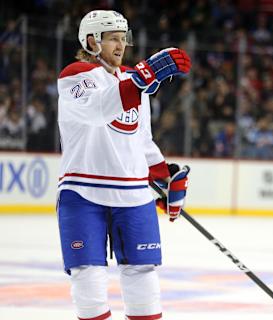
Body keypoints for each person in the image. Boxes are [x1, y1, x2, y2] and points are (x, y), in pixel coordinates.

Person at [56, 10, 191, 320]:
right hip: (83, 193)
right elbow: (97, 110)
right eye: (113, 39)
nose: (120, 45)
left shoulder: (134, 81)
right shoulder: (75, 76)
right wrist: (143, 78)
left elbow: (142, 140)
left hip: (133, 196)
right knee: (88, 280)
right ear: (91, 41)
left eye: (123, 39)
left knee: (143, 279)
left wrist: (165, 176)